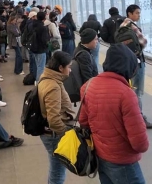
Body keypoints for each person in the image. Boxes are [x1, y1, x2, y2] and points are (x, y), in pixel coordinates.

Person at [79, 44, 149, 184]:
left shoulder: (88, 86)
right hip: (123, 162)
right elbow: (140, 144)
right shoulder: (126, 94)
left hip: (100, 157)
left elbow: (84, 122)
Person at [38, 51, 75, 184]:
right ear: (60, 68)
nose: (70, 70)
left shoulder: (47, 77)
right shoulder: (53, 86)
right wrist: (67, 133)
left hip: (49, 133)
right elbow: (53, 119)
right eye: (69, 67)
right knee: (58, 172)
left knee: (55, 169)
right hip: (54, 135)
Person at [120, 4, 152, 128]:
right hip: (137, 61)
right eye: (137, 13)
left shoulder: (122, 26)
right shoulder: (132, 26)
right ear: (130, 14)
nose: (139, 15)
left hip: (128, 62)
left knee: (130, 89)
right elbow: (144, 41)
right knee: (137, 91)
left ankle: (131, 116)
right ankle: (139, 118)